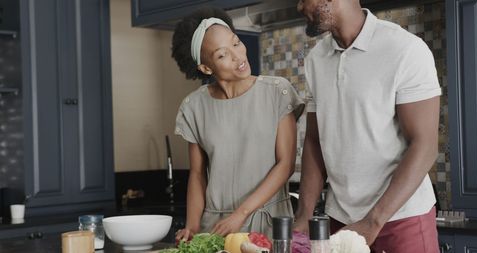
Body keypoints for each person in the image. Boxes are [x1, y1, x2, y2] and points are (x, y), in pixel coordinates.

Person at [294, 0, 442, 252]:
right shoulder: (316, 59)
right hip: (340, 219)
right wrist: (304, 215)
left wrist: (373, 221)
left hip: (401, 219)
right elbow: (314, 141)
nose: (299, 7)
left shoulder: (404, 49)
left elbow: (425, 145)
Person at [171, 7, 305, 240]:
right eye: (222, 55)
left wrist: (241, 213)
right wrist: (192, 228)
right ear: (206, 68)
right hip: (216, 228)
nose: (238, 56)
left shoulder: (277, 91)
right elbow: (197, 174)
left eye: (236, 43)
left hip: (269, 223)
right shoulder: (193, 107)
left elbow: (286, 165)